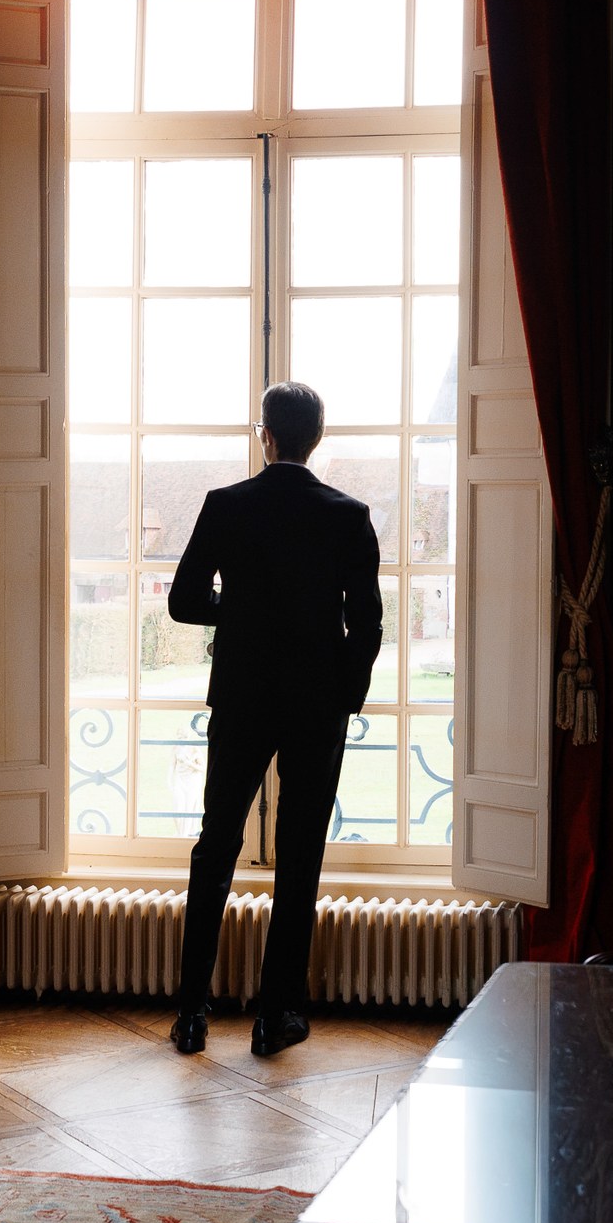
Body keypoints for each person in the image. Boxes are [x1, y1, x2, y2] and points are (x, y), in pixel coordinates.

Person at [166, 380, 383, 1059]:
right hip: (315, 704)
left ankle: (190, 1016)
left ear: (265, 435)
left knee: (215, 847)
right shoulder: (347, 515)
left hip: (240, 695)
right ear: (315, 437)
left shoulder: (226, 506)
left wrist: (240, 615)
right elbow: (369, 625)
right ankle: (274, 1018)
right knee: (299, 859)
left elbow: (181, 601)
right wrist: (343, 696)